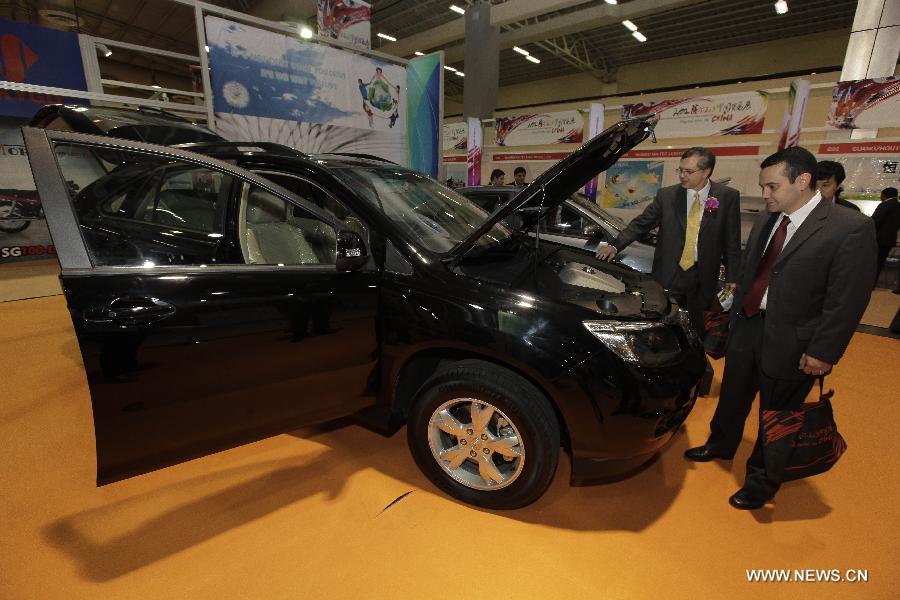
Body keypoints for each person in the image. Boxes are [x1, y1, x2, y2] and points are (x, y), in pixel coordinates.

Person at [684, 147, 877, 510]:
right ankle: (721, 443)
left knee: (778, 414)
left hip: (796, 340)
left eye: (772, 187)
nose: (766, 195)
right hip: (749, 326)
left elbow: (847, 300)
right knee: (734, 395)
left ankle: (762, 480)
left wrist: (823, 351)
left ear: (803, 181)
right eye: (764, 186)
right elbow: (751, 270)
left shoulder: (849, 228)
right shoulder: (769, 218)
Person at [596, 147, 741, 334]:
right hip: (670, 272)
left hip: (703, 275)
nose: (682, 175)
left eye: (688, 171)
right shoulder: (667, 196)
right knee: (663, 323)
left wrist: (733, 277)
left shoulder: (727, 197)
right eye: (680, 170)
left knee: (696, 325)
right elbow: (641, 224)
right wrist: (615, 245)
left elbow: (732, 240)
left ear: (706, 172)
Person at [871, 186, 899, 276]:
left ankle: (868, 282)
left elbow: (875, 221)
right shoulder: (898, 206)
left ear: (884, 195)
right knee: (880, 262)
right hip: (890, 240)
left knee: (873, 263)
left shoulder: (885, 205)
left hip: (879, 239)